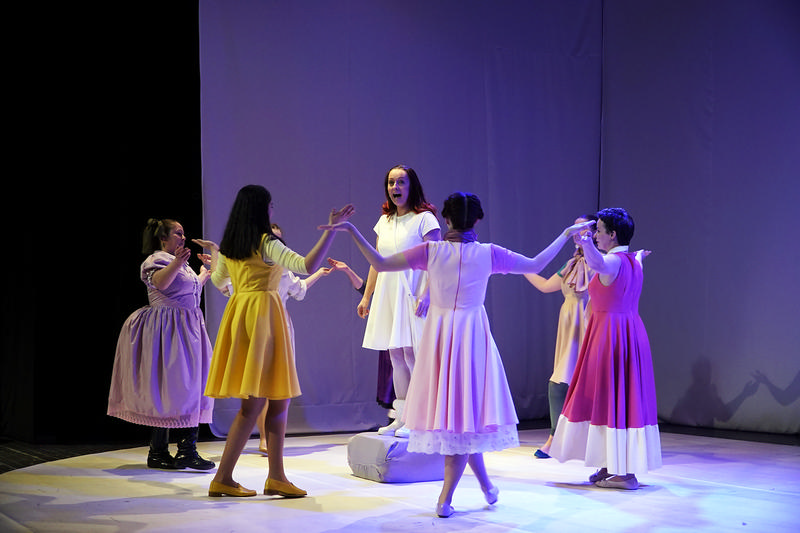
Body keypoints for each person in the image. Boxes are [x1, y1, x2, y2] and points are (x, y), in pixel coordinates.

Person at [320, 192, 592, 517]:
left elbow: (380, 263)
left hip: (442, 339)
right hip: (471, 339)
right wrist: (565, 235)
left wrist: (351, 231)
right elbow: (535, 264)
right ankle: (483, 489)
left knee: (459, 422)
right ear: (477, 220)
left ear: (446, 220)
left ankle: (447, 497)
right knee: (462, 421)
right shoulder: (487, 253)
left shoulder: (432, 251)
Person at [198, 184, 353, 498]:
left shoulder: (231, 246)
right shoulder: (267, 243)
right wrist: (331, 231)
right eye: (270, 206)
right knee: (263, 401)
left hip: (241, 315)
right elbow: (307, 265)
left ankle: (269, 477)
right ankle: (233, 477)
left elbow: (217, 280)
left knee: (266, 400)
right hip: (265, 318)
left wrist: (216, 256)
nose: (272, 210)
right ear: (262, 209)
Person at [548, 207, 661, 490]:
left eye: (599, 231)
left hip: (612, 336)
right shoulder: (631, 260)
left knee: (613, 396)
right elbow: (632, 257)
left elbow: (598, 263)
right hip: (624, 333)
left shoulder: (612, 261)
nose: (596, 235)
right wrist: (638, 254)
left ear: (613, 234)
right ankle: (610, 464)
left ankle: (626, 474)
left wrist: (584, 242)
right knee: (612, 397)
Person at [107, 218, 216, 471]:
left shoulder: (181, 264)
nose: (183, 237)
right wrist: (177, 262)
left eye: (183, 233)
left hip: (187, 328)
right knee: (173, 388)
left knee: (188, 387)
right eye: (178, 233)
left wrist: (204, 274)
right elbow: (161, 283)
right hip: (169, 331)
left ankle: (177, 451)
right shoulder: (157, 260)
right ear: (163, 238)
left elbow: (187, 292)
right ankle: (166, 452)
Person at [358, 164, 441, 437]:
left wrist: (427, 294)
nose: (395, 187)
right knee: (396, 355)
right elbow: (377, 262)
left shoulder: (425, 219)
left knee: (412, 353)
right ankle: (402, 417)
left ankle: (419, 419)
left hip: (414, 290)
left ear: (411, 186)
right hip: (389, 291)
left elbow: (437, 260)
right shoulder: (384, 221)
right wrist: (367, 296)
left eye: (401, 182)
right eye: (391, 182)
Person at [523, 214, 597, 459]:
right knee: (562, 381)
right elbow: (545, 285)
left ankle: (559, 439)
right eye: (574, 227)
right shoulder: (571, 263)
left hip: (587, 322)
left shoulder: (599, 262)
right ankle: (557, 437)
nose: (576, 232)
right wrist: (522, 268)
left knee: (568, 382)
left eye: (581, 227)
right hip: (568, 324)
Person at [253, 224, 331, 454]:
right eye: (271, 238)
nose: (275, 243)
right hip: (257, 323)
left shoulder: (284, 268)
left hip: (280, 325)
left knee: (277, 386)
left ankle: (271, 438)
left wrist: (319, 273)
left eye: (279, 239)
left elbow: (299, 289)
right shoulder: (250, 265)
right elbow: (229, 287)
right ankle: (264, 438)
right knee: (258, 387)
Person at [327, 257, 395, 411]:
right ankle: (396, 415)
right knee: (393, 368)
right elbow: (366, 288)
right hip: (390, 329)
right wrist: (347, 270)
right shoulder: (382, 269)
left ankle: (411, 416)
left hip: (405, 326)